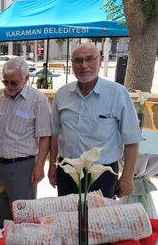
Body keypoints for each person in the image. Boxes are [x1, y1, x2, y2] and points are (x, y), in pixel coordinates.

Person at [48, 43, 142, 198]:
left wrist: (127, 177)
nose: (84, 65)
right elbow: (55, 133)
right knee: (67, 218)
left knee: (98, 220)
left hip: (101, 173)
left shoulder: (117, 94)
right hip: (67, 170)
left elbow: (131, 139)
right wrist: (53, 166)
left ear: (100, 60)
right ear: (72, 64)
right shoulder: (62, 94)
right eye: (78, 60)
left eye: (90, 59)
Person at [0, 57, 51, 228]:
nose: (8, 87)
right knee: (2, 211)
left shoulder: (38, 100)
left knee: (23, 216)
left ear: (26, 79)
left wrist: (40, 166)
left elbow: (45, 136)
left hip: (22, 166)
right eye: (5, 82)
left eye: (14, 83)